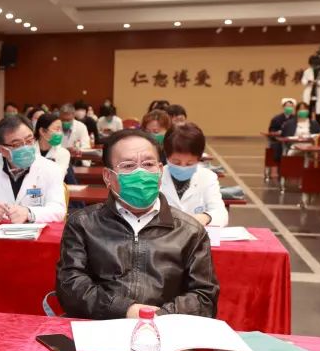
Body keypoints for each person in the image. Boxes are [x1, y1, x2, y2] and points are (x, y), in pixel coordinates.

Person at [56, 129, 219, 319]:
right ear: (108, 176)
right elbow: (70, 286)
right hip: (100, 325)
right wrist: (125, 310)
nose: (141, 173)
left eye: (148, 164)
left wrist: (158, 316)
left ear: (160, 171)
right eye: (128, 166)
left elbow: (204, 297)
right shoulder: (83, 224)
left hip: (164, 329)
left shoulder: (190, 231)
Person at [0, 115, 66, 223]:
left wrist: (28, 213)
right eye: (17, 144)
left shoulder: (51, 168)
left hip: (35, 231)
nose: (26, 148)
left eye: (29, 141)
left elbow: (58, 210)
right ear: (2, 150)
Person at [161, 123, 227, 226]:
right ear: (166, 156)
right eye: (176, 162)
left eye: (189, 163)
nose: (182, 167)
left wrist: (206, 217)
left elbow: (221, 215)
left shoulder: (207, 177)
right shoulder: (156, 177)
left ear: (199, 158)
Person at [268, 98, 297, 162]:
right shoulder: (276, 119)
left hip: (292, 140)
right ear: (283, 107)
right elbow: (271, 130)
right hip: (279, 140)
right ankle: (278, 163)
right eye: (287, 106)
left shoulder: (295, 118)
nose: (289, 108)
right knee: (276, 146)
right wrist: (277, 132)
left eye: (291, 106)